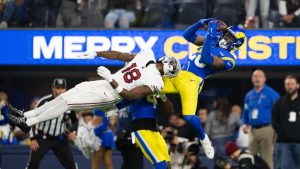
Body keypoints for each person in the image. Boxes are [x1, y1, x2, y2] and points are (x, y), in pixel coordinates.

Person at [7, 49, 181, 133]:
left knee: (67, 103)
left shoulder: (157, 82)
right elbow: (118, 55)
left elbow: (130, 95)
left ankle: (28, 123)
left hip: (110, 94)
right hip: (104, 84)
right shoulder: (147, 55)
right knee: (65, 96)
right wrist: (95, 52)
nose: (167, 65)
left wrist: (111, 78)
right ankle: (27, 115)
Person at [161, 18, 246, 159]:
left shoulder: (229, 59)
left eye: (231, 37)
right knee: (150, 84)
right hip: (179, 74)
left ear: (236, 43)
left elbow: (206, 59)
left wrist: (211, 34)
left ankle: (204, 139)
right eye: (227, 34)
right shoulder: (211, 41)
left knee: (188, 116)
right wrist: (201, 23)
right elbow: (187, 35)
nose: (227, 38)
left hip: (193, 81)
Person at [26, 78, 78, 169]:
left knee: (71, 165)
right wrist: (33, 138)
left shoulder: (69, 103)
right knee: (33, 164)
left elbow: (75, 120)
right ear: (53, 88)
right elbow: (32, 119)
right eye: (57, 88)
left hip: (60, 139)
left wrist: (73, 131)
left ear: (65, 89)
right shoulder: (44, 101)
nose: (59, 91)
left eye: (62, 88)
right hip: (43, 138)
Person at [242, 69, 279, 169]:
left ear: (264, 79)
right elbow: (245, 111)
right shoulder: (249, 95)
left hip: (267, 129)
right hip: (252, 130)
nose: (257, 78)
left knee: (267, 158)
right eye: (255, 76)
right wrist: (244, 124)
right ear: (252, 79)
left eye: (260, 76)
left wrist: (276, 127)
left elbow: (279, 111)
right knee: (251, 157)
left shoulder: (272, 94)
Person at [272, 75, 300, 169]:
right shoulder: (279, 102)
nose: (290, 86)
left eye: (292, 84)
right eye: (287, 84)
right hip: (284, 143)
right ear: (285, 86)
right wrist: (283, 133)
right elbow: (274, 120)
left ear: (297, 85)